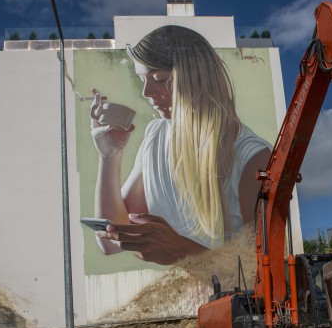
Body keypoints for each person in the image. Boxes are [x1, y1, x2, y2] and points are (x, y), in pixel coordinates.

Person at [89, 25, 272, 265]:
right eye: (141, 79)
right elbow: (109, 242)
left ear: (196, 76)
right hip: (182, 299)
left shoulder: (251, 155)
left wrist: (182, 250)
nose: (146, 92)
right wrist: (109, 156)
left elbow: (262, 267)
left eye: (160, 79)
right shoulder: (155, 137)